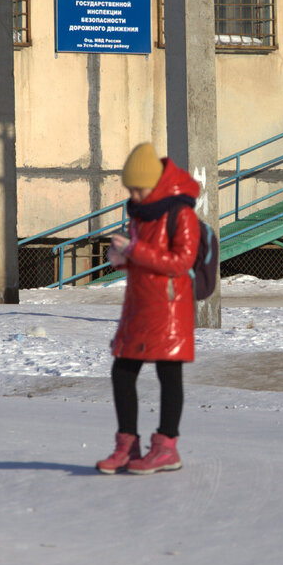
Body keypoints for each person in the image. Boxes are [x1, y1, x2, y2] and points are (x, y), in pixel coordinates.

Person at [96, 142, 200, 475]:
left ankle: (166, 446)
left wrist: (136, 251)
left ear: (155, 184)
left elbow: (182, 262)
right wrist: (123, 260)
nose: (135, 196)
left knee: (169, 374)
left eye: (139, 188)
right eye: (130, 190)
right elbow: (144, 260)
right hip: (140, 306)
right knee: (122, 372)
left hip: (169, 309)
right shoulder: (142, 215)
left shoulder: (181, 214)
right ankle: (127, 446)